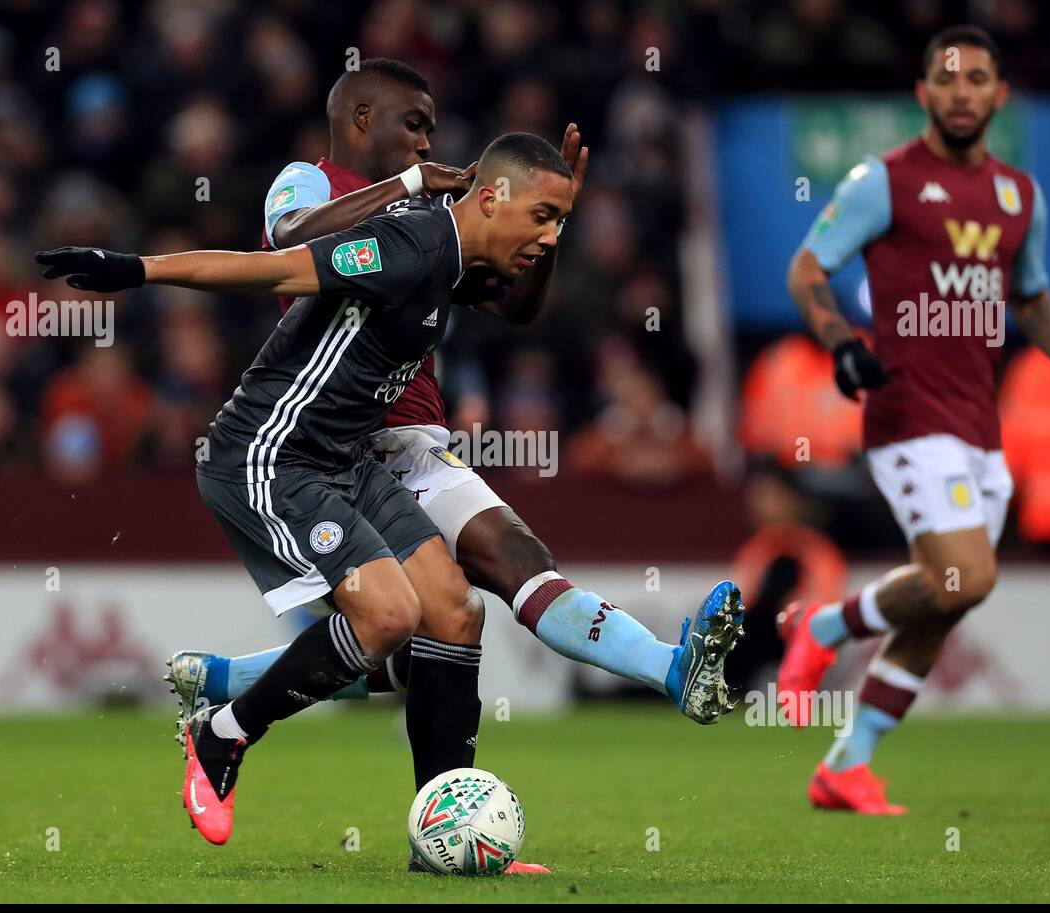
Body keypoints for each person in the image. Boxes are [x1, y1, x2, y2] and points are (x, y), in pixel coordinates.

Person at [37, 132, 742, 854]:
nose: (549, 235)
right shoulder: (407, 244)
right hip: (273, 453)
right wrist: (136, 268)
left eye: (561, 221)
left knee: (454, 611)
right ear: (491, 198)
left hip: (348, 460)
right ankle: (221, 733)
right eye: (541, 217)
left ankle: (436, 835)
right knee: (391, 614)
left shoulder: (458, 258)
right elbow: (271, 268)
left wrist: (550, 225)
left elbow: (520, 303)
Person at [163, 59, 743, 736]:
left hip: (415, 440)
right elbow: (295, 239)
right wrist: (409, 187)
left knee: (509, 568)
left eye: (430, 131)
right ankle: (225, 692)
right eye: (414, 125)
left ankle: (673, 669)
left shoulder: (434, 214)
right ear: (360, 119)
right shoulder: (312, 180)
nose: (427, 144)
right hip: (333, 445)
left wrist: (544, 229)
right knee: (411, 636)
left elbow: (515, 308)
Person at [779, 25, 1050, 815]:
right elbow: (808, 266)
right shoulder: (884, 181)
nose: (961, 92)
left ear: (998, 94)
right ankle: (825, 624)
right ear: (923, 93)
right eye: (946, 79)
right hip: (909, 412)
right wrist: (841, 341)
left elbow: (1031, 294)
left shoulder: (1020, 196)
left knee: (951, 595)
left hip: (980, 426)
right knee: (967, 573)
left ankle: (848, 763)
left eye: (977, 77)